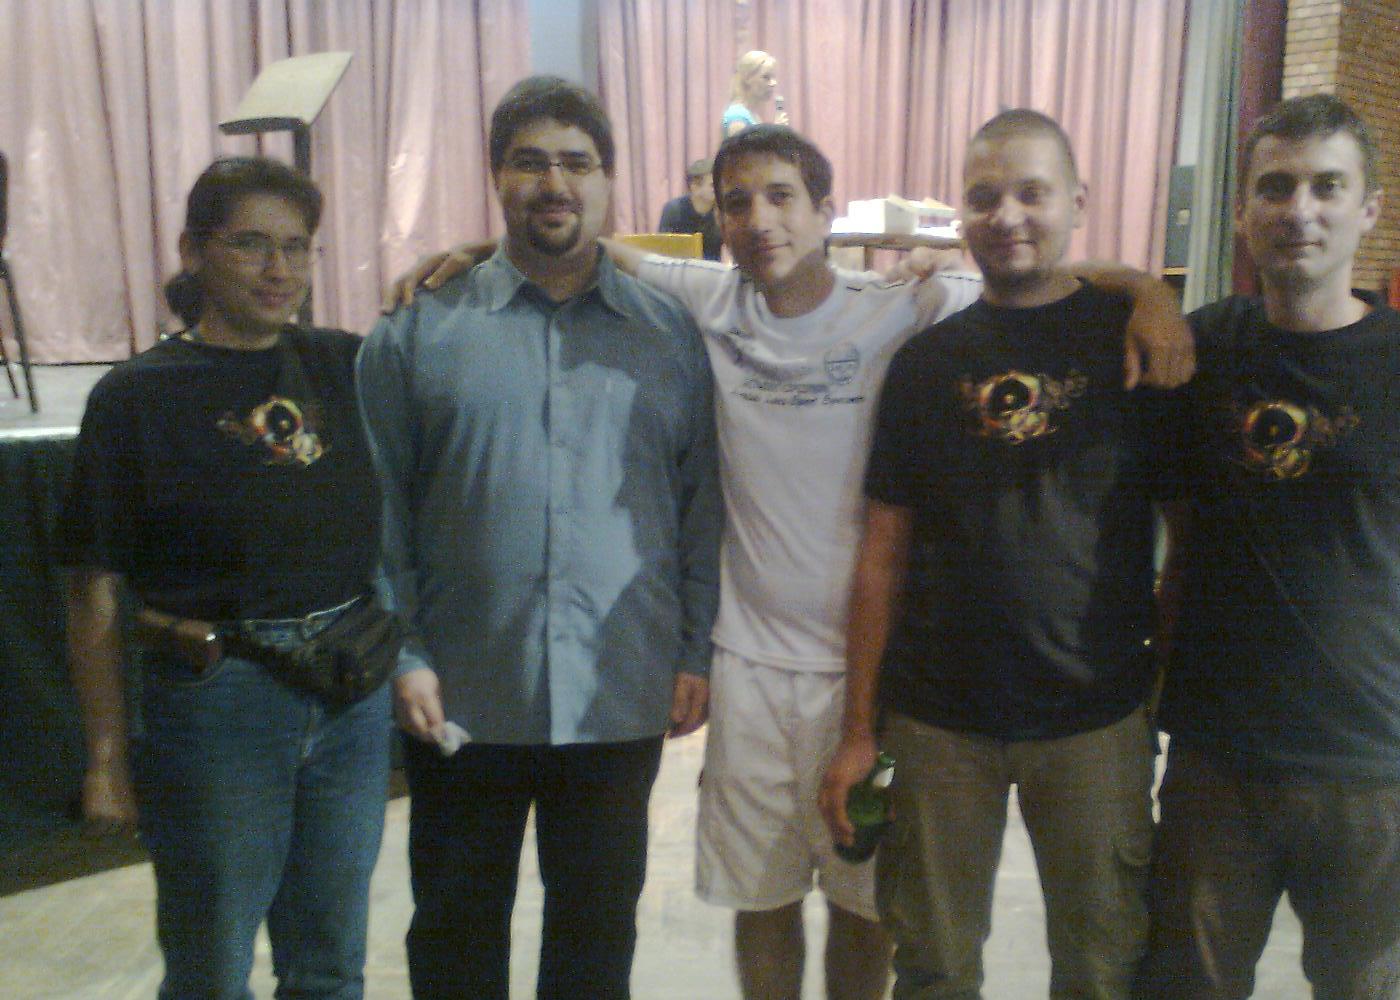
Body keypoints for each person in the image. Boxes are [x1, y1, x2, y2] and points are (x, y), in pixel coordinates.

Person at [386, 121, 1191, 1000]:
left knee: (866, 901)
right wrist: (481, 251)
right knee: (759, 898)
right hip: (749, 671)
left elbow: (1033, 275)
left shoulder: (907, 302)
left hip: (877, 679)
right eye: (738, 203)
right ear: (718, 221)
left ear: (826, 211)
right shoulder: (706, 297)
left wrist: (1146, 288)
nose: (761, 220)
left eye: (782, 198)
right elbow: (591, 252)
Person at [356, 76, 720, 1000]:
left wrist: (694, 650)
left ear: (608, 181)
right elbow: (377, 513)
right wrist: (404, 653)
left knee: (595, 944)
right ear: (496, 177)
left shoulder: (670, 336)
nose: (555, 183)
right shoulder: (418, 332)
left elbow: (698, 505)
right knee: (455, 935)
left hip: (619, 686)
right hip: (462, 693)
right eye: (530, 162)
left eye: (577, 163)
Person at [820, 109, 1184, 1000]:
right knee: (933, 966)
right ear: (961, 212)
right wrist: (861, 731)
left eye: (1032, 193)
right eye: (985, 197)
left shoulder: (1135, 344)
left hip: (1096, 717)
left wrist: (1160, 690)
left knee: (1102, 968)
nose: (1008, 215)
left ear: (1078, 202)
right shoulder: (924, 362)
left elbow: (1190, 537)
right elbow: (882, 554)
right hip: (937, 722)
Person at [60, 156, 391, 1000]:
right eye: (251, 244)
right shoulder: (135, 397)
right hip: (220, 704)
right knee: (211, 967)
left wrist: (466, 255)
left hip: (350, 690)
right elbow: (91, 592)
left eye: (297, 246)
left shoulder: (343, 364)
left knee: (330, 965)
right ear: (193, 250)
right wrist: (105, 758)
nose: (280, 269)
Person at [1138, 94, 1400, 999]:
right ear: (1243, 211)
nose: (1300, 210)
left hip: (1373, 764)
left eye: (1328, 187)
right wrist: (1143, 289)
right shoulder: (1202, 347)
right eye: (1276, 187)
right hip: (1219, 756)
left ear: (1369, 208)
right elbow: (1177, 532)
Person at [658, 157, 722, 261]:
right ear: (695, 187)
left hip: (713, 269)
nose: (720, 189)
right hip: (679, 268)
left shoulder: (722, 210)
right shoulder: (674, 209)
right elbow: (662, 249)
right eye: (712, 185)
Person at [721, 50, 788, 141]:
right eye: (766, 77)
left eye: (773, 77)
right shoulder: (737, 117)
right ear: (747, 79)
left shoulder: (751, 113)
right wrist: (774, 134)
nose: (773, 83)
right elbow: (742, 150)